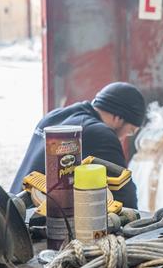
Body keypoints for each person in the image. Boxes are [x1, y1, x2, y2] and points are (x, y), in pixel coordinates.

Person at [10, 82, 145, 209]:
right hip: (35, 224)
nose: (124, 138)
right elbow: (125, 195)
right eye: (130, 131)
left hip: (12, 209)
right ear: (119, 118)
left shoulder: (54, 116)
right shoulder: (100, 133)